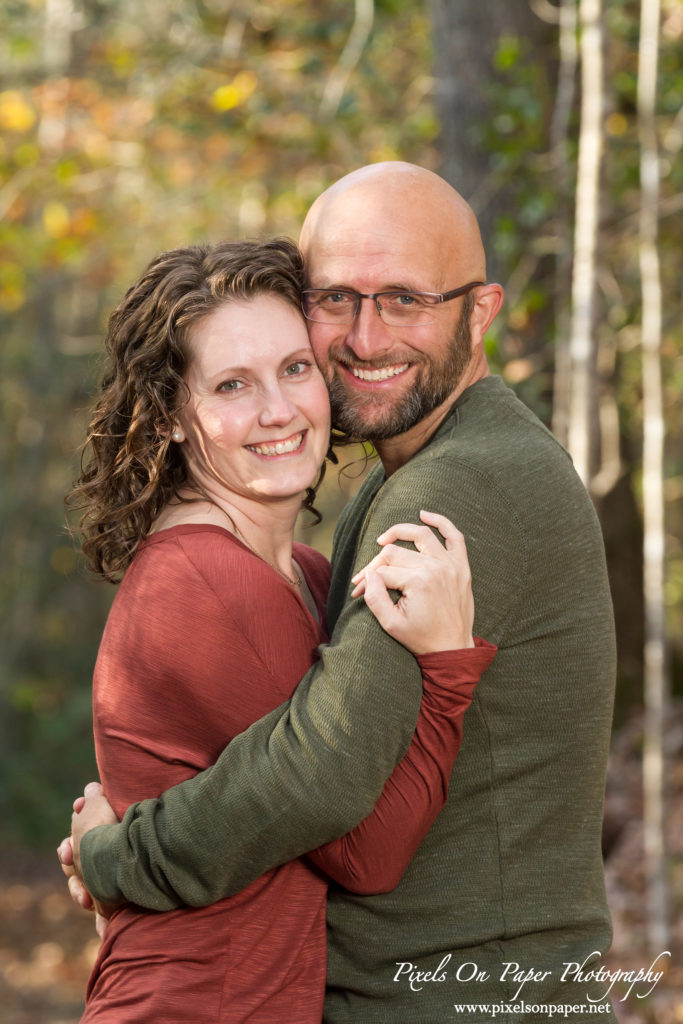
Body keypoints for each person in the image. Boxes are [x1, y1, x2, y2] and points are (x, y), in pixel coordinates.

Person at [62, 163, 617, 1022]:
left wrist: (114, 859)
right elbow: (304, 768)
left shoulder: (456, 486)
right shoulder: (408, 483)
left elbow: (315, 777)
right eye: (334, 299)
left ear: (479, 313)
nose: (363, 337)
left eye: (403, 299)